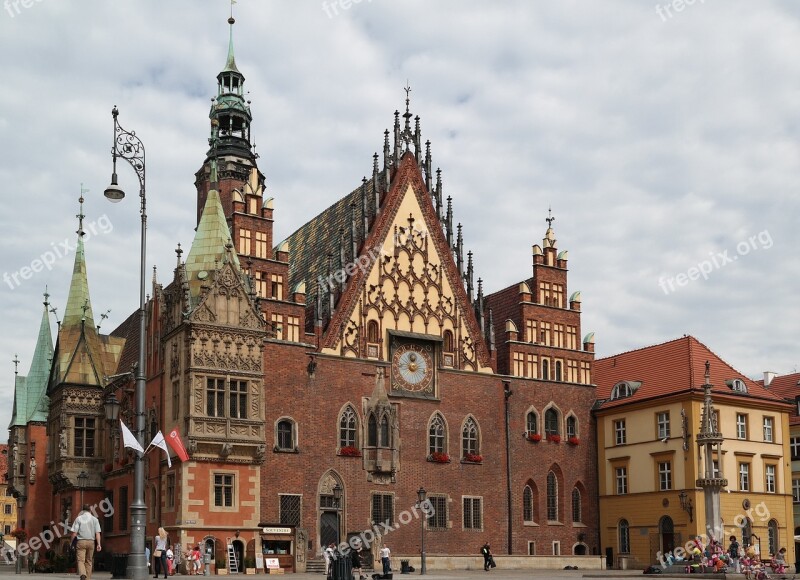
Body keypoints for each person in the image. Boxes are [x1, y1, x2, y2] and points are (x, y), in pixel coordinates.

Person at [70, 504, 102, 580]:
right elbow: (97, 533)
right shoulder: (95, 519)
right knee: (89, 561)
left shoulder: (79, 519)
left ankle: (83, 574)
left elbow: (74, 533)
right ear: (90, 510)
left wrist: (71, 542)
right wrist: (99, 544)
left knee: (80, 560)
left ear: (82, 511)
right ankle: (88, 578)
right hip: (91, 542)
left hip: (81, 542)